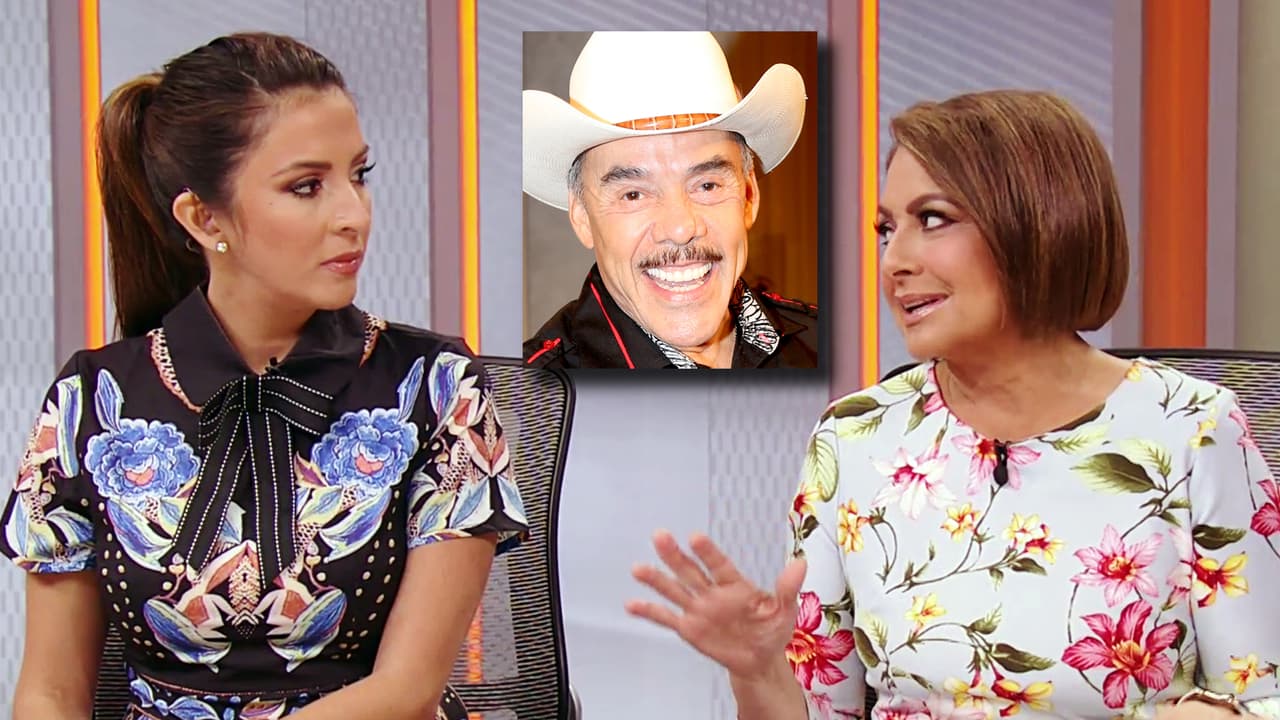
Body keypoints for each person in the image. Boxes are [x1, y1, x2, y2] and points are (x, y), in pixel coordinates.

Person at [627, 90, 1280, 719]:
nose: (895, 261)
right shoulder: (853, 440)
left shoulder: (1191, 429)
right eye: (887, 229)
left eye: (933, 219)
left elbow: (1263, 697)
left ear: (1038, 221)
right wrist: (756, 671)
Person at [2, 32, 526, 720]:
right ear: (203, 217)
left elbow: (407, 691)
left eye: (358, 175)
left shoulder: (437, 387)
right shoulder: (90, 401)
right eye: (307, 186)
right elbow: (49, 692)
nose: (353, 215)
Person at [521, 31, 819, 370]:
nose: (680, 228)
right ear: (582, 217)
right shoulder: (524, 395)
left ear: (748, 197)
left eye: (707, 186)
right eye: (634, 194)